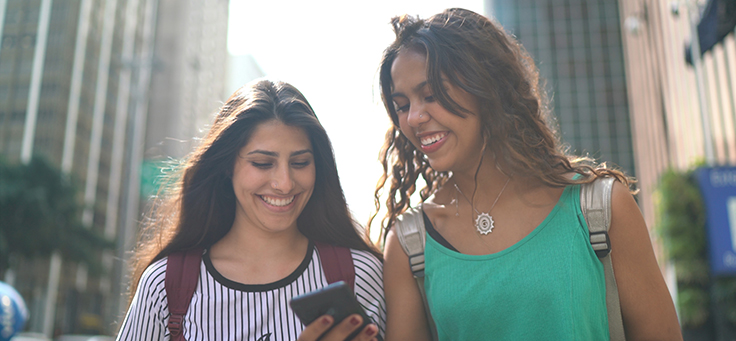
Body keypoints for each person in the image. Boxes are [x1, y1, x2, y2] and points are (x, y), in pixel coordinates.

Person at [371, 8, 683, 340]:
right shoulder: (409, 246)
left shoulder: (599, 209)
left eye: (431, 95)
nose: (414, 118)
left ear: (485, 87)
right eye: (402, 105)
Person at [117, 80, 385, 341]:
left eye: (300, 162)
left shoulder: (359, 274)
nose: (284, 183)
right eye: (262, 163)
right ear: (227, 166)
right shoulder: (165, 284)